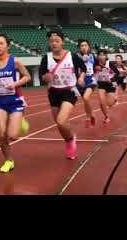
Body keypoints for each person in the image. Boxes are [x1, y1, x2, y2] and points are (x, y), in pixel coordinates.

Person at [0, 34, 31, 173]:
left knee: (13, 136)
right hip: (0, 102)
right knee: (2, 134)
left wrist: (15, 84)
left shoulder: (15, 61)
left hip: (15, 101)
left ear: (7, 46)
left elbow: (27, 77)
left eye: (1, 43)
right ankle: (9, 161)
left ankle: (21, 121)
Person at [40, 30, 86, 160]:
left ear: (62, 42)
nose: (54, 43)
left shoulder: (71, 56)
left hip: (69, 91)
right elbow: (42, 75)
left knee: (61, 120)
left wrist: (81, 78)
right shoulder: (46, 58)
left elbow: (83, 68)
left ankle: (71, 142)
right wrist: (46, 77)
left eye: (57, 41)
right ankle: (69, 138)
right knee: (59, 123)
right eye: (51, 41)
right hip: (53, 93)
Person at [93, 50, 119, 124]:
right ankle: (106, 116)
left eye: (103, 55)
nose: (101, 57)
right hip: (101, 84)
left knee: (110, 103)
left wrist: (112, 79)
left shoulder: (110, 64)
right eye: (100, 55)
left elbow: (117, 73)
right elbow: (93, 73)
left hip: (110, 85)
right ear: (97, 57)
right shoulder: (95, 64)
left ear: (106, 56)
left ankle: (114, 99)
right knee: (101, 102)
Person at [75, 40, 97, 128]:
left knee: (86, 97)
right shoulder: (76, 57)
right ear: (79, 48)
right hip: (80, 80)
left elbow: (96, 66)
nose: (84, 47)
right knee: (85, 100)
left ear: (88, 47)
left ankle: (90, 116)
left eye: (85, 45)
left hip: (90, 79)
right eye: (82, 46)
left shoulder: (92, 56)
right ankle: (89, 115)